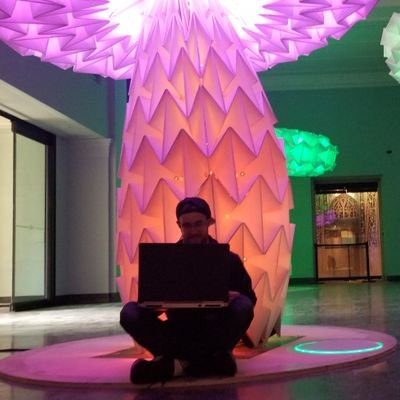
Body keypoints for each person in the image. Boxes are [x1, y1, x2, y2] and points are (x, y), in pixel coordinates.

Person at [120, 197, 257, 384]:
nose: (193, 231)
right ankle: (207, 362)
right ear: (179, 225)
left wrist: (234, 297)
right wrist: (155, 305)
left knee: (243, 305)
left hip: (214, 329)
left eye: (198, 224)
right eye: (187, 225)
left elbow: (249, 299)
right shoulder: (166, 260)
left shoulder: (228, 259)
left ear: (209, 222)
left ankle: (177, 363)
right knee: (129, 312)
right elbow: (149, 301)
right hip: (177, 330)